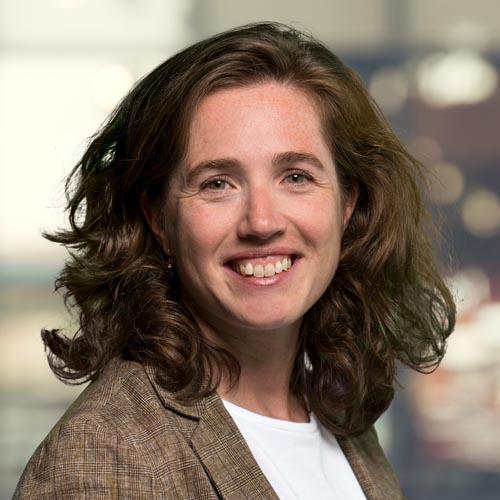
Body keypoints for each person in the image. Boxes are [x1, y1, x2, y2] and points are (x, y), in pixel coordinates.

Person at [14, 22, 455, 499]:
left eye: (296, 176)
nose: (261, 221)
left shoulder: (336, 418)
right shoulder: (103, 454)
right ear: (159, 218)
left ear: (347, 204)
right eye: (217, 183)